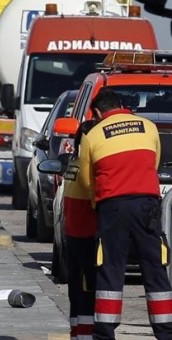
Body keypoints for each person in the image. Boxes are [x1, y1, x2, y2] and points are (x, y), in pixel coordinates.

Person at [77, 90, 172, 339]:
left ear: (98, 113)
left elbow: (87, 181)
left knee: (110, 269)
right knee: (155, 268)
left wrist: (96, 202)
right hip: (146, 205)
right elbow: (153, 164)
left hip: (112, 207)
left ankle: (105, 333)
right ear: (121, 105)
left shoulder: (93, 134)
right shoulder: (148, 127)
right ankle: (165, 332)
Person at [62, 120, 99, 340]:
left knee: (75, 288)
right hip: (87, 234)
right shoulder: (87, 167)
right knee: (88, 288)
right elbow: (96, 197)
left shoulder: (73, 162)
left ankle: (76, 332)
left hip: (72, 234)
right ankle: (85, 334)